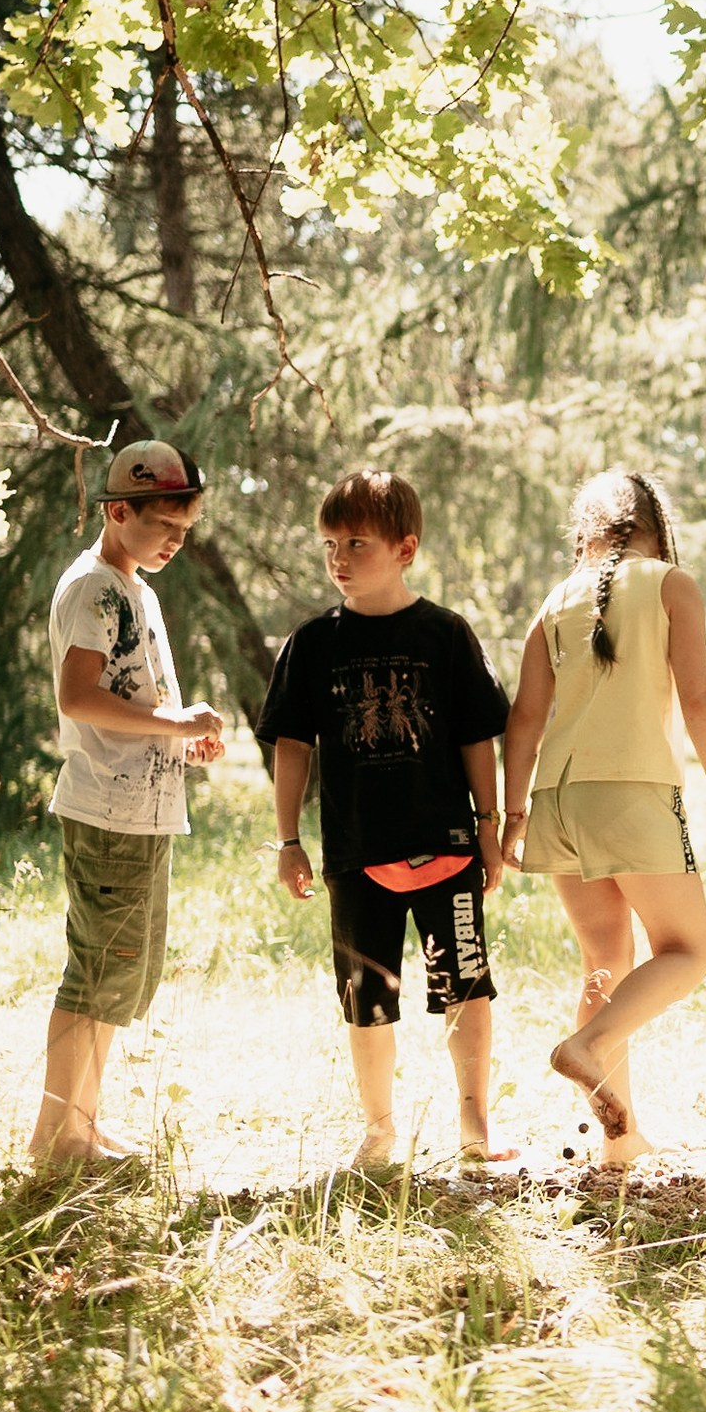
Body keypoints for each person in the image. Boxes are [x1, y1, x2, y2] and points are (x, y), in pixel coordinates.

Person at [261, 469, 514, 1169]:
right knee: (366, 1000)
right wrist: (288, 839)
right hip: (355, 853)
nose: (339, 558)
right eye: (329, 543)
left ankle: (475, 1127)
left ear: (405, 548)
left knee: (465, 988)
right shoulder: (311, 645)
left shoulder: (447, 634)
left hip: (448, 848)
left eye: (357, 543)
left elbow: (476, 739)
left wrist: (489, 830)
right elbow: (291, 745)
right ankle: (379, 1131)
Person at [499, 471, 706, 1166]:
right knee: (689, 950)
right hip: (633, 794)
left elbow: (523, 719)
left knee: (605, 965)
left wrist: (511, 813)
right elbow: (700, 698)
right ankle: (587, 1046)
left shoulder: (554, 602)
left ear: (586, 535)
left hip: (559, 799)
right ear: (657, 528)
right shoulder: (673, 584)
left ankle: (621, 1140)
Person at [34, 440, 226, 1166]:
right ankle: (54, 1138)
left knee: (124, 973)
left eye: (184, 531)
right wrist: (173, 723)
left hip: (145, 810)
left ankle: (81, 1122)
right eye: (163, 528)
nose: (175, 543)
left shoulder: (135, 590)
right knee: (96, 968)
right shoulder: (93, 587)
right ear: (119, 511)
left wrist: (181, 738)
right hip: (106, 811)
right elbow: (77, 695)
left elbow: (134, 700)